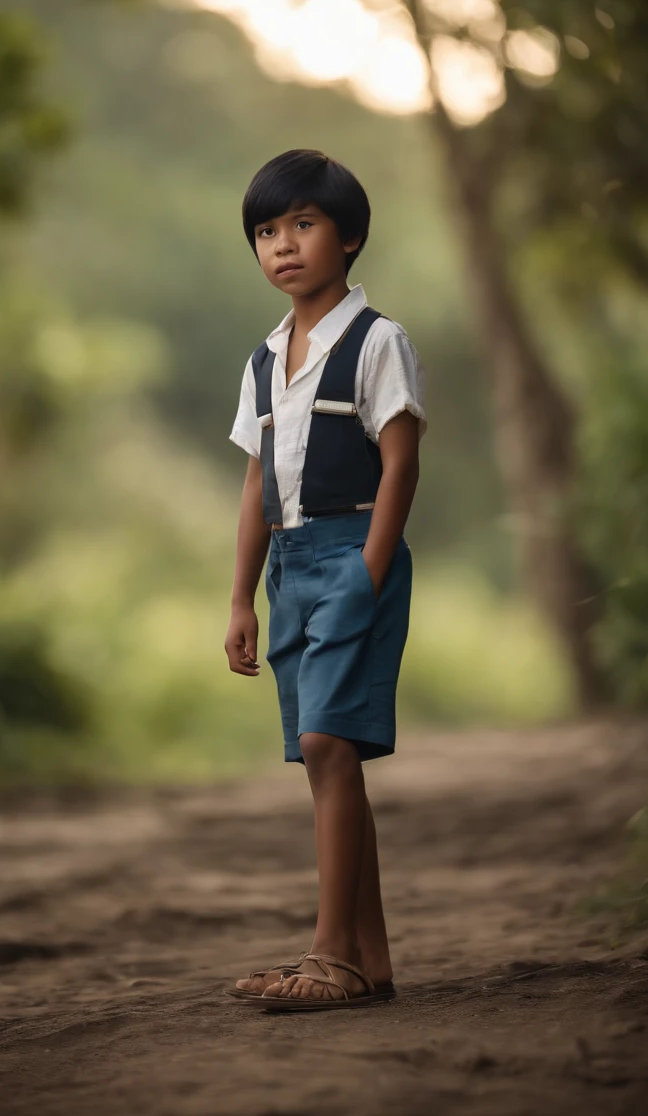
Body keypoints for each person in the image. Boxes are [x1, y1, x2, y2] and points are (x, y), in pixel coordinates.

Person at [223, 148, 426, 1010]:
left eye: (303, 224)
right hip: (289, 563)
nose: (283, 245)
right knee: (324, 761)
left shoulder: (379, 341)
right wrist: (240, 594)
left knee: (326, 746)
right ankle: (367, 961)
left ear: (350, 238)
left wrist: (369, 574)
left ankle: (326, 955)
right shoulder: (266, 360)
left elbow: (402, 466)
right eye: (267, 231)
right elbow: (254, 482)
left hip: (352, 555)